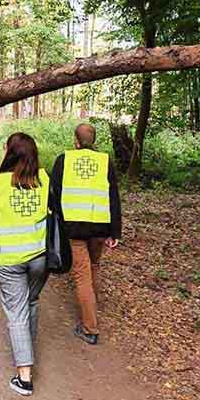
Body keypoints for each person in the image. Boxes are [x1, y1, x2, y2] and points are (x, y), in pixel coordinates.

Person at [0, 132, 50, 396]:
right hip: (40, 258)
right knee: (30, 302)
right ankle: (27, 349)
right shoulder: (44, 179)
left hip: (9, 259)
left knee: (16, 312)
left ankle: (25, 377)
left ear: (9, 152)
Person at [51, 122, 121, 345]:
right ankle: (93, 306)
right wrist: (115, 231)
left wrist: (55, 225)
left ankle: (90, 328)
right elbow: (113, 197)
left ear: (76, 140)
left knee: (82, 275)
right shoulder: (105, 161)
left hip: (74, 229)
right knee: (93, 267)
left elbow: (54, 195)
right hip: (100, 228)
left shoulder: (64, 160)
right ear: (95, 140)